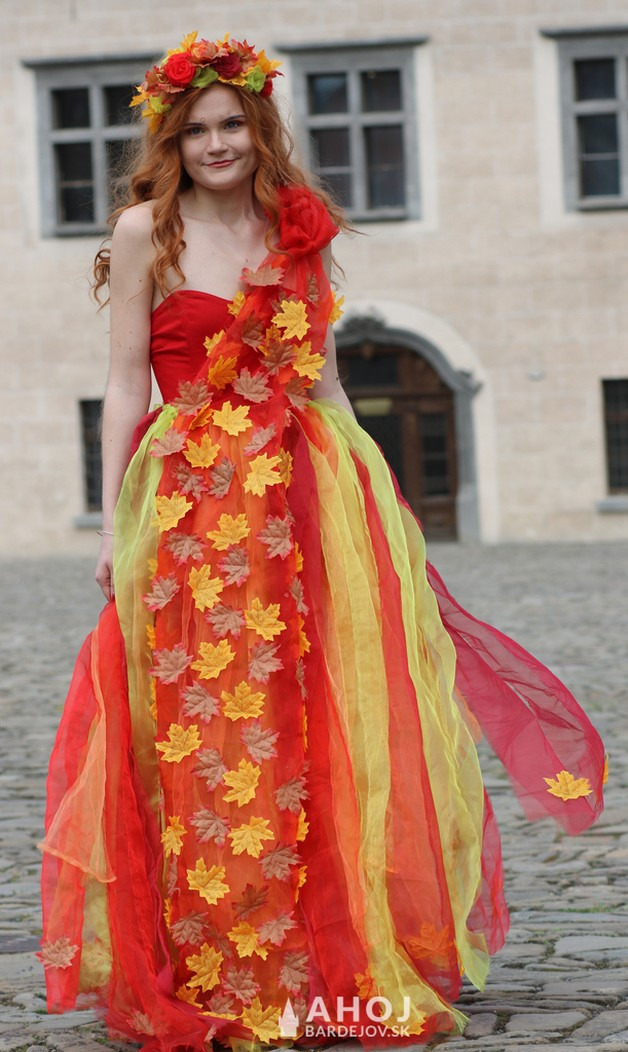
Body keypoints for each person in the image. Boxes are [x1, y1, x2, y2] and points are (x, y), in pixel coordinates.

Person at [37, 32, 606, 1052]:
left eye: (232, 124)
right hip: (196, 504)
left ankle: (323, 951)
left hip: (305, 496)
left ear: (260, 128)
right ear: (173, 140)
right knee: (210, 723)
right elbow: (124, 383)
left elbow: (327, 382)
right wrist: (115, 517)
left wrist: (378, 505)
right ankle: (228, 958)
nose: (217, 144)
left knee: (316, 716)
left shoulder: (297, 228)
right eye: (197, 130)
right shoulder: (144, 231)